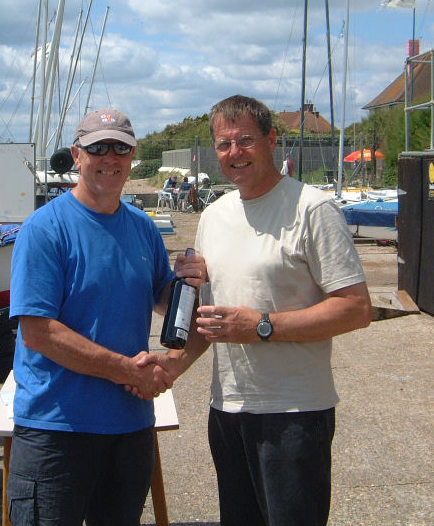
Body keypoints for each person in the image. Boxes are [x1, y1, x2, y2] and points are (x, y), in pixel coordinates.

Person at [140, 94, 372, 525]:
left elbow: (356, 308)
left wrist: (262, 325)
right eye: (224, 144)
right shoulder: (214, 216)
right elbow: (211, 324)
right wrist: (168, 367)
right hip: (227, 410)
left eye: (245, 140)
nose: (234, 153)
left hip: (294, 414)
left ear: (272, 140)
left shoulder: (313, 209)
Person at [7, 108, 206, 525]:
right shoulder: (44, 229)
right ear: (77, 155)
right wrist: (128, 371)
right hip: (56, 432)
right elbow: (39, 333)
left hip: (129, 429)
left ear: (132, 157)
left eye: (121, 148)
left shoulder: (142, 228)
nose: (110, 158)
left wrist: (188, 285)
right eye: (98, 147)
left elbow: (162, 298)